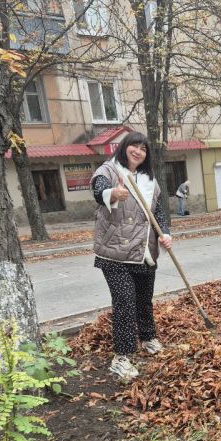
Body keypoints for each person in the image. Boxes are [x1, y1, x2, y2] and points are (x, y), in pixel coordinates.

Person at [91, 131, 173, 381]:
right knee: (125, 302)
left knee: (144, 299)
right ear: (124, 147)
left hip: (144, 250)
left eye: (143, 149)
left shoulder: (149, 180)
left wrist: (165, 233)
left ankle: (148, 337)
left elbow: (157, 211)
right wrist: (113, 194)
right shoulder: (110, 170)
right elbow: (98, 189)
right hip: (116, 252)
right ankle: (122, 357)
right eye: (133, 147)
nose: (138, 151)